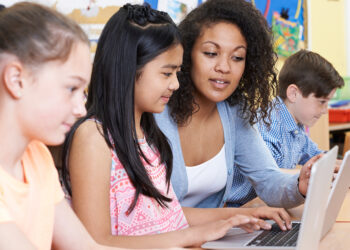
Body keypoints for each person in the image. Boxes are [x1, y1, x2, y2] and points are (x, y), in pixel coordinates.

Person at [60, 3, 282, 249]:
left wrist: (233, 218)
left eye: (177, 72)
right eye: (167, 74)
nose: (176, 84)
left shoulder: (148, 134)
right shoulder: (93, 139)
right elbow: (94, 242)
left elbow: (169, 215)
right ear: (128, 70)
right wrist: (193, 236)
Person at [154, 0, 319, 213]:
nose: (224, 67)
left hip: (208, 240)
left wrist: (300, 185)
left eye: (237, 57)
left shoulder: (233, 112)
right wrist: (236, 215)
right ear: (186, 54)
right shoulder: (156, 111)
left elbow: (267, 179)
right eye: (211, 53)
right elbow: (153, 212)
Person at [0, 2, 132, 250]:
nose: (80, 109)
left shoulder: (37, 156)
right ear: (17, 80)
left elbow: (86, 247)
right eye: (71, 88)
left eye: (81, 92)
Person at [257, 49, 344, 169]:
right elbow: (270, 180)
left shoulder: (295, 126)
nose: (325, 110)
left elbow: (317, 156)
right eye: (322, 102)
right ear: (293, 94)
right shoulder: (269, 128)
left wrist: (344, 165)